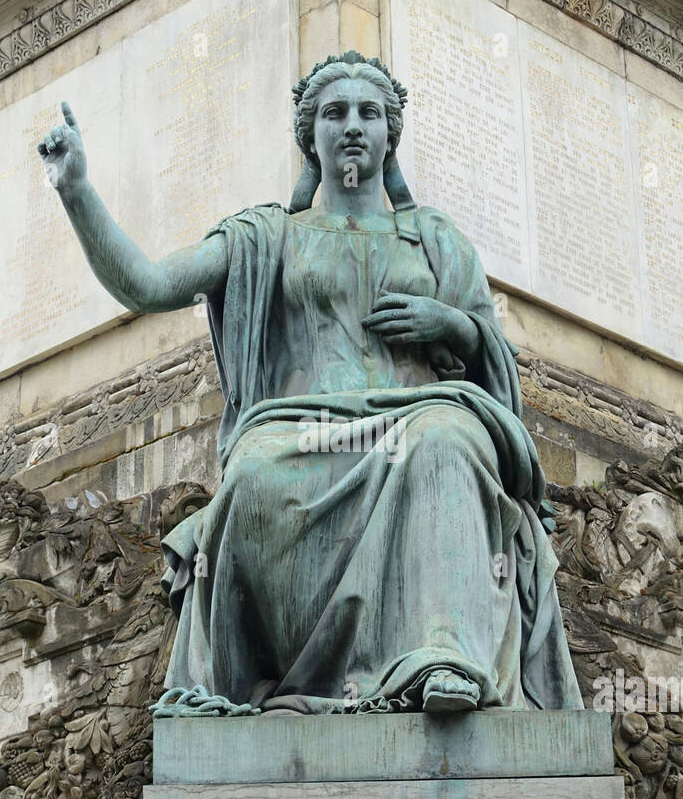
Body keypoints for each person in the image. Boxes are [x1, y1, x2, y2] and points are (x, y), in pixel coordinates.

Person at [38, 51, 582, 716]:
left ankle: (445, 655)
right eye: (335, 113)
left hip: (423, 414)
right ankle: (267, 673)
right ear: (311, 135)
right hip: (301, 431)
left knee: (447, 441)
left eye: (368, 113)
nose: (352, 125)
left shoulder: (437, 240)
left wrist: (455, 327)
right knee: (253, 474)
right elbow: (148, 285)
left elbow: (493, 367)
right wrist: (77, 191)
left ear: (389, 134)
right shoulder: (268, 235)